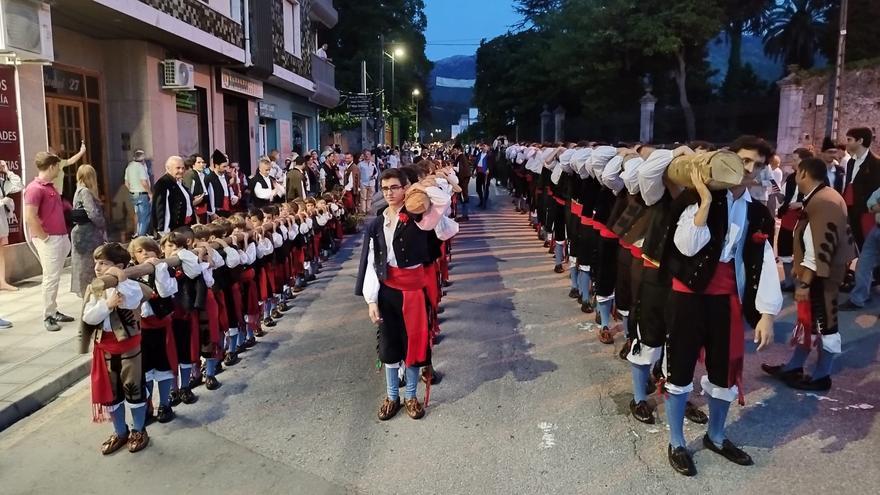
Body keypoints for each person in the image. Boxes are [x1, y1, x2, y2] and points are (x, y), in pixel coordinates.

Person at [661, 135, 782, 477]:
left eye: (757, 164)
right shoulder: (696, 198)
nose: (749, 169)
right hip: (687, 296)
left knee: (723, 373)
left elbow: (764, 260)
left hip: (727, 299)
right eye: (744, 161)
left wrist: (767, 313)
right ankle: (676, 441)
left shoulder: (757, 211)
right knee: (680, 370)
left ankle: (715, 435)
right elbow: (686, 247)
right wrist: (702, 200)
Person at [355, 168, 455, 421]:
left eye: (395, 188)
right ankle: (392, 396)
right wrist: (371, 300)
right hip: (388, 290)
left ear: (405, 188)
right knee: (390, 347)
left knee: (413, 346)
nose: (389, 193)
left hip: (414, 291)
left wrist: (417, 189)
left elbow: (444, 200)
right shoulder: (378, 222)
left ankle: (411, 396)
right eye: (385, 188)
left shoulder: (420, 215)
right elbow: (371, 262)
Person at [762, 157, 854, 392]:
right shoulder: (824, 196)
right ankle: (795, 366)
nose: (794, 175)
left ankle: (822, 376)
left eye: (796, 171)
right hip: (822, 274)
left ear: (804, 174)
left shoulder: (823, 201)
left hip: (821, 277)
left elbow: (818, 249)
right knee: (810, 322)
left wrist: (804, 284)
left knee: (826, 325)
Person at [79, 242, 152, 454]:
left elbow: (132, 301)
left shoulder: (130, 285)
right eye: (96, 263)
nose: (98, 267)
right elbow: (88, 317)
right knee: (112, 394)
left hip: (129, 347)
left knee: (134, 390)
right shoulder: (97, 287)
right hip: (106, 348)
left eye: (104, 263)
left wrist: (121, 278)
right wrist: (107, 305)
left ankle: (139, 430)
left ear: (119, 265)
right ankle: (120, 431)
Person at [23, 151, 75, 332]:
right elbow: (30, 216)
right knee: (50, 278)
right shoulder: (35, 188)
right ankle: (48, 314)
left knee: (54, 277)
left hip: (59, 236)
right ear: (52, 166)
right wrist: (44, 238)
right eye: (58, 167)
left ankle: (53, 309)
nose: (59, 171)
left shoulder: (49, 187)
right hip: (49, 238)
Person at [70, 165, 108, 297]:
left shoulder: (78, 190)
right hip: (87, 233)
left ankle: (87, 292)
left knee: (83, 265)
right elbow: (92, 212)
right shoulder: (85, 192)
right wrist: (102, 223)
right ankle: (89, 292)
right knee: (88, 265)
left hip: (81, 232)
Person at [842, 127, 880, 248]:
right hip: (849, 211)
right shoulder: (850, 162)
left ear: (860, 141)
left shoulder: (876, 163)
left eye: (849, 139)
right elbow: (848, 185)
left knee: (866, 246)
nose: (846, 142)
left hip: (865, 213)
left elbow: (875, 190)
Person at [151, 156, 194, 235]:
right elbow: (161, 209)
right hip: (174, 230)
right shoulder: (163, 183)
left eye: (183, 168)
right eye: (177, 168)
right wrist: (164, 232)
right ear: (168, 168)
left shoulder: (179, 182)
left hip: (185, 227)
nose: (181, 171)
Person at [0, 159, 24, 291]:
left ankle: (2, 281)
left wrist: (7, 171)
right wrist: (2, 202)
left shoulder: (1, 182)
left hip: (1, 223)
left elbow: (18, 185)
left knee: (0, 253)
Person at [124, 150, 152, 237]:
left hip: (133, 194)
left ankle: (136, 233)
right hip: (142, 194)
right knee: (144, 217)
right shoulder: (140, 167)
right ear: (143, 158)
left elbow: (126, 183)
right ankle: (141, 237)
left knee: (137, 214)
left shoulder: (129, 167)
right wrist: (149, 193)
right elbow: (143, 182)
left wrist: (132, 190)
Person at [182, 154, 209, 222]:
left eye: (203, 162)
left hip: (204, 205)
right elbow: (188, 190)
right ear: (193, 164)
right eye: (199, 162)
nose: (202, 164)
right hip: (195, 207)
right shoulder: (190, 174)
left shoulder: (203, 174)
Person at [474, 143, 494, 208]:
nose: (484, 148)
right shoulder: (479, 154)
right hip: (479, 172)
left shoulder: (490, 155)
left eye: (485, 146)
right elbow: (476, 162)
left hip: (486, 173)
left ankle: (484, 202)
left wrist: (489, 169)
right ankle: (481, 200)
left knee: (485, 188)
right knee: (478, 188)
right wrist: (474, 170)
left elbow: (492, 164)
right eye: (483, 146)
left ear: (487, 148)